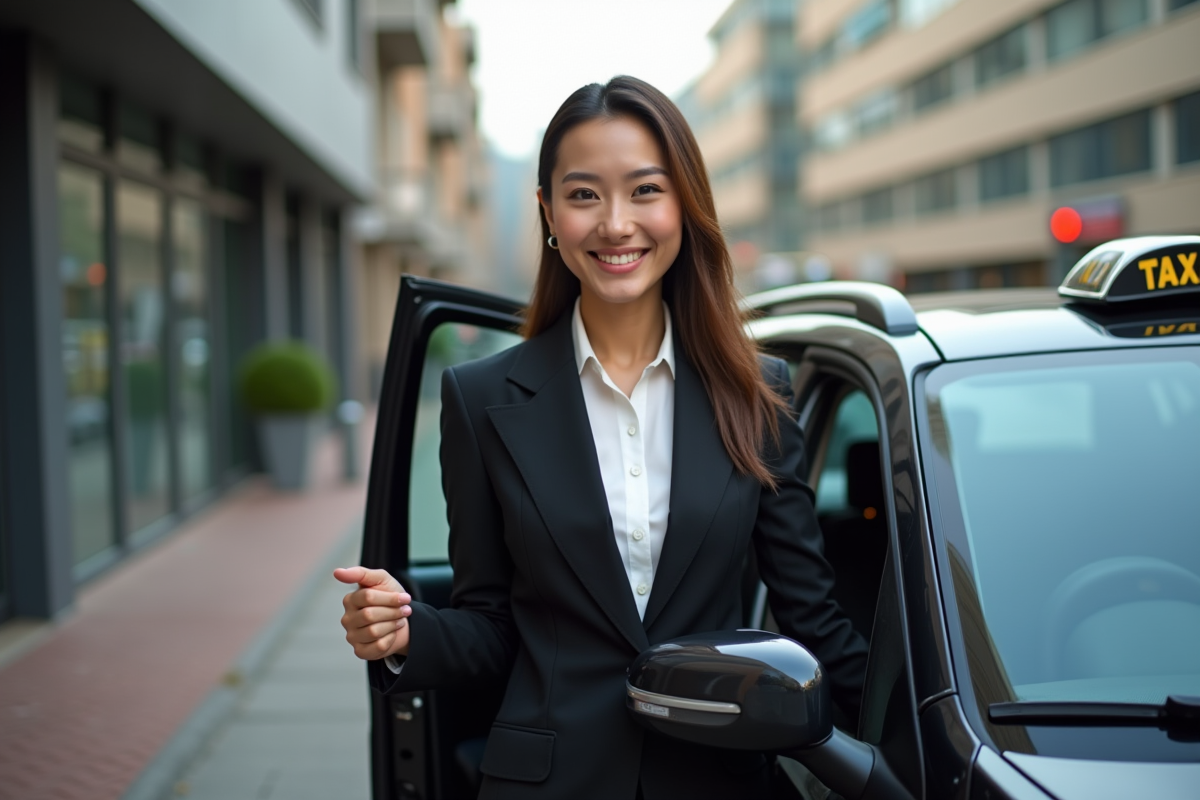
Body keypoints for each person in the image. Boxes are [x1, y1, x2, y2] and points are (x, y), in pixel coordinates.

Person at [335, 75, 868, 800]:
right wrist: (407, 633)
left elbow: (812, 616)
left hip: (718, 777)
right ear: (548, 212)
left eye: (646, 190)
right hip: (550, 781)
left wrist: (913, 738)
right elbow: (494, 625)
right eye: (585, 195)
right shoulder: (482, 399)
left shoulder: (757, 392)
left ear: (685, 203)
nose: (616, 224)